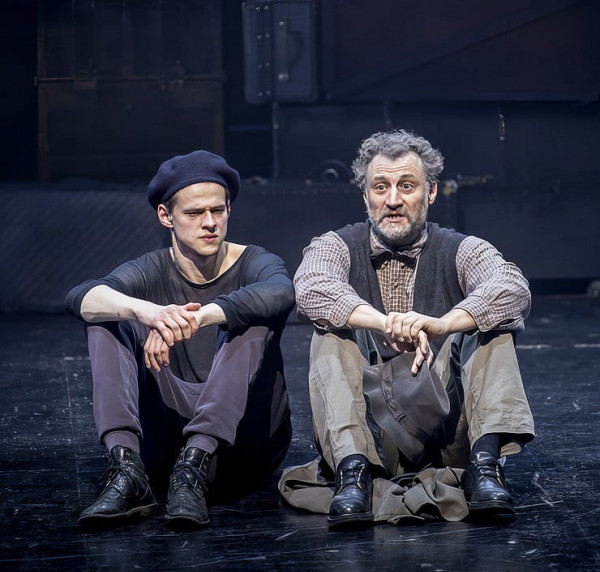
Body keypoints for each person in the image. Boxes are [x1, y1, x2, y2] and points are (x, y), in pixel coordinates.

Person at [284, 129, 535, 528]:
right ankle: (353, 474)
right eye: (380, 187)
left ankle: (485, 467)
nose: (393, 200)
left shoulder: (461, 248)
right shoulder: (337, 245)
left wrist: (443, 323)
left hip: (446, 428)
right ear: (365, 195)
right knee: (330, 332)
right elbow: (311, 288)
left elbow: (512, 288)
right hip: (371, 434)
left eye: (406, 185)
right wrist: (383, 322)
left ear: (430, 192)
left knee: (492, 326)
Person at [65, 150, 295, 528]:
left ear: (229, 209)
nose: (210, 223)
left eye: (217, 210)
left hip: (242, 446)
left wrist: (199, 317)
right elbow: (80, 296)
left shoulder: (255, 261)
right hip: (165, 450)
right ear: (165, 216)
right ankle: (126, 469)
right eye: (194, 213)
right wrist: (149, 313)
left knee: (252, 319)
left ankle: (196, 463)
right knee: (106, 317)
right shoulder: (151, 269)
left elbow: (281, 291)